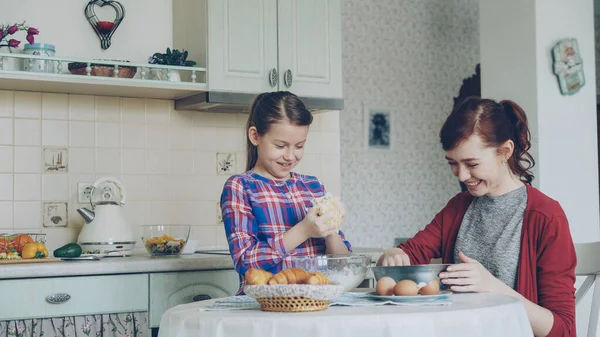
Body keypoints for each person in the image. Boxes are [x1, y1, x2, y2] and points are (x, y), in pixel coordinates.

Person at [377, 97, 576, 337]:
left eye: (472, 164)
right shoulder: (458, 207)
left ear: (505, 151)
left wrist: (493, 287)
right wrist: (394, 254)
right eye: (453, 163)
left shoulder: (545, 216)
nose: (461, 175)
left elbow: (563, 330)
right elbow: (411, 253)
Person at [220, 91, 352, 294]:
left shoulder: (313, 186)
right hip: (264, 309)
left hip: (314, 306)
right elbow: (245, 261)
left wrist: (330, 233)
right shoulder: (240, 187)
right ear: (255, 136)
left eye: (299, 146)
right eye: (280, 146)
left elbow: (342, 265)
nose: (290, 156)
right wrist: (304, 230)